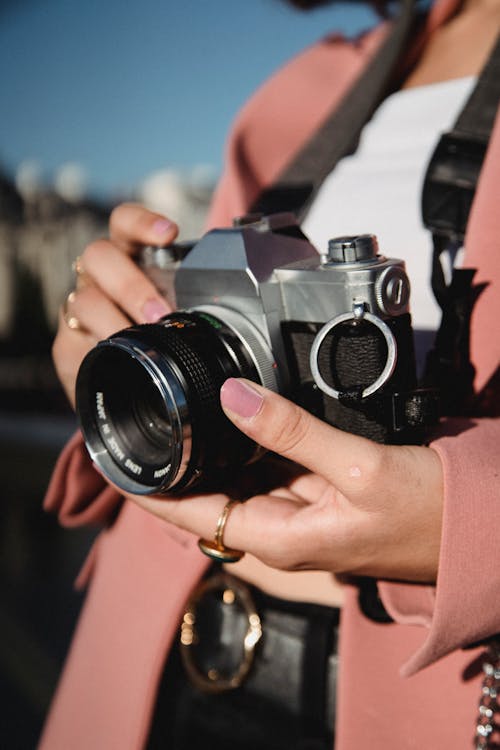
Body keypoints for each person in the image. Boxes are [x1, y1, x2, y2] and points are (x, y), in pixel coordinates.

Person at [40, 0, 500, 747]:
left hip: (411, 695)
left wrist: (471, 522)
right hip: (155, 643)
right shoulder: (310, 81)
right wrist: (102, 338)